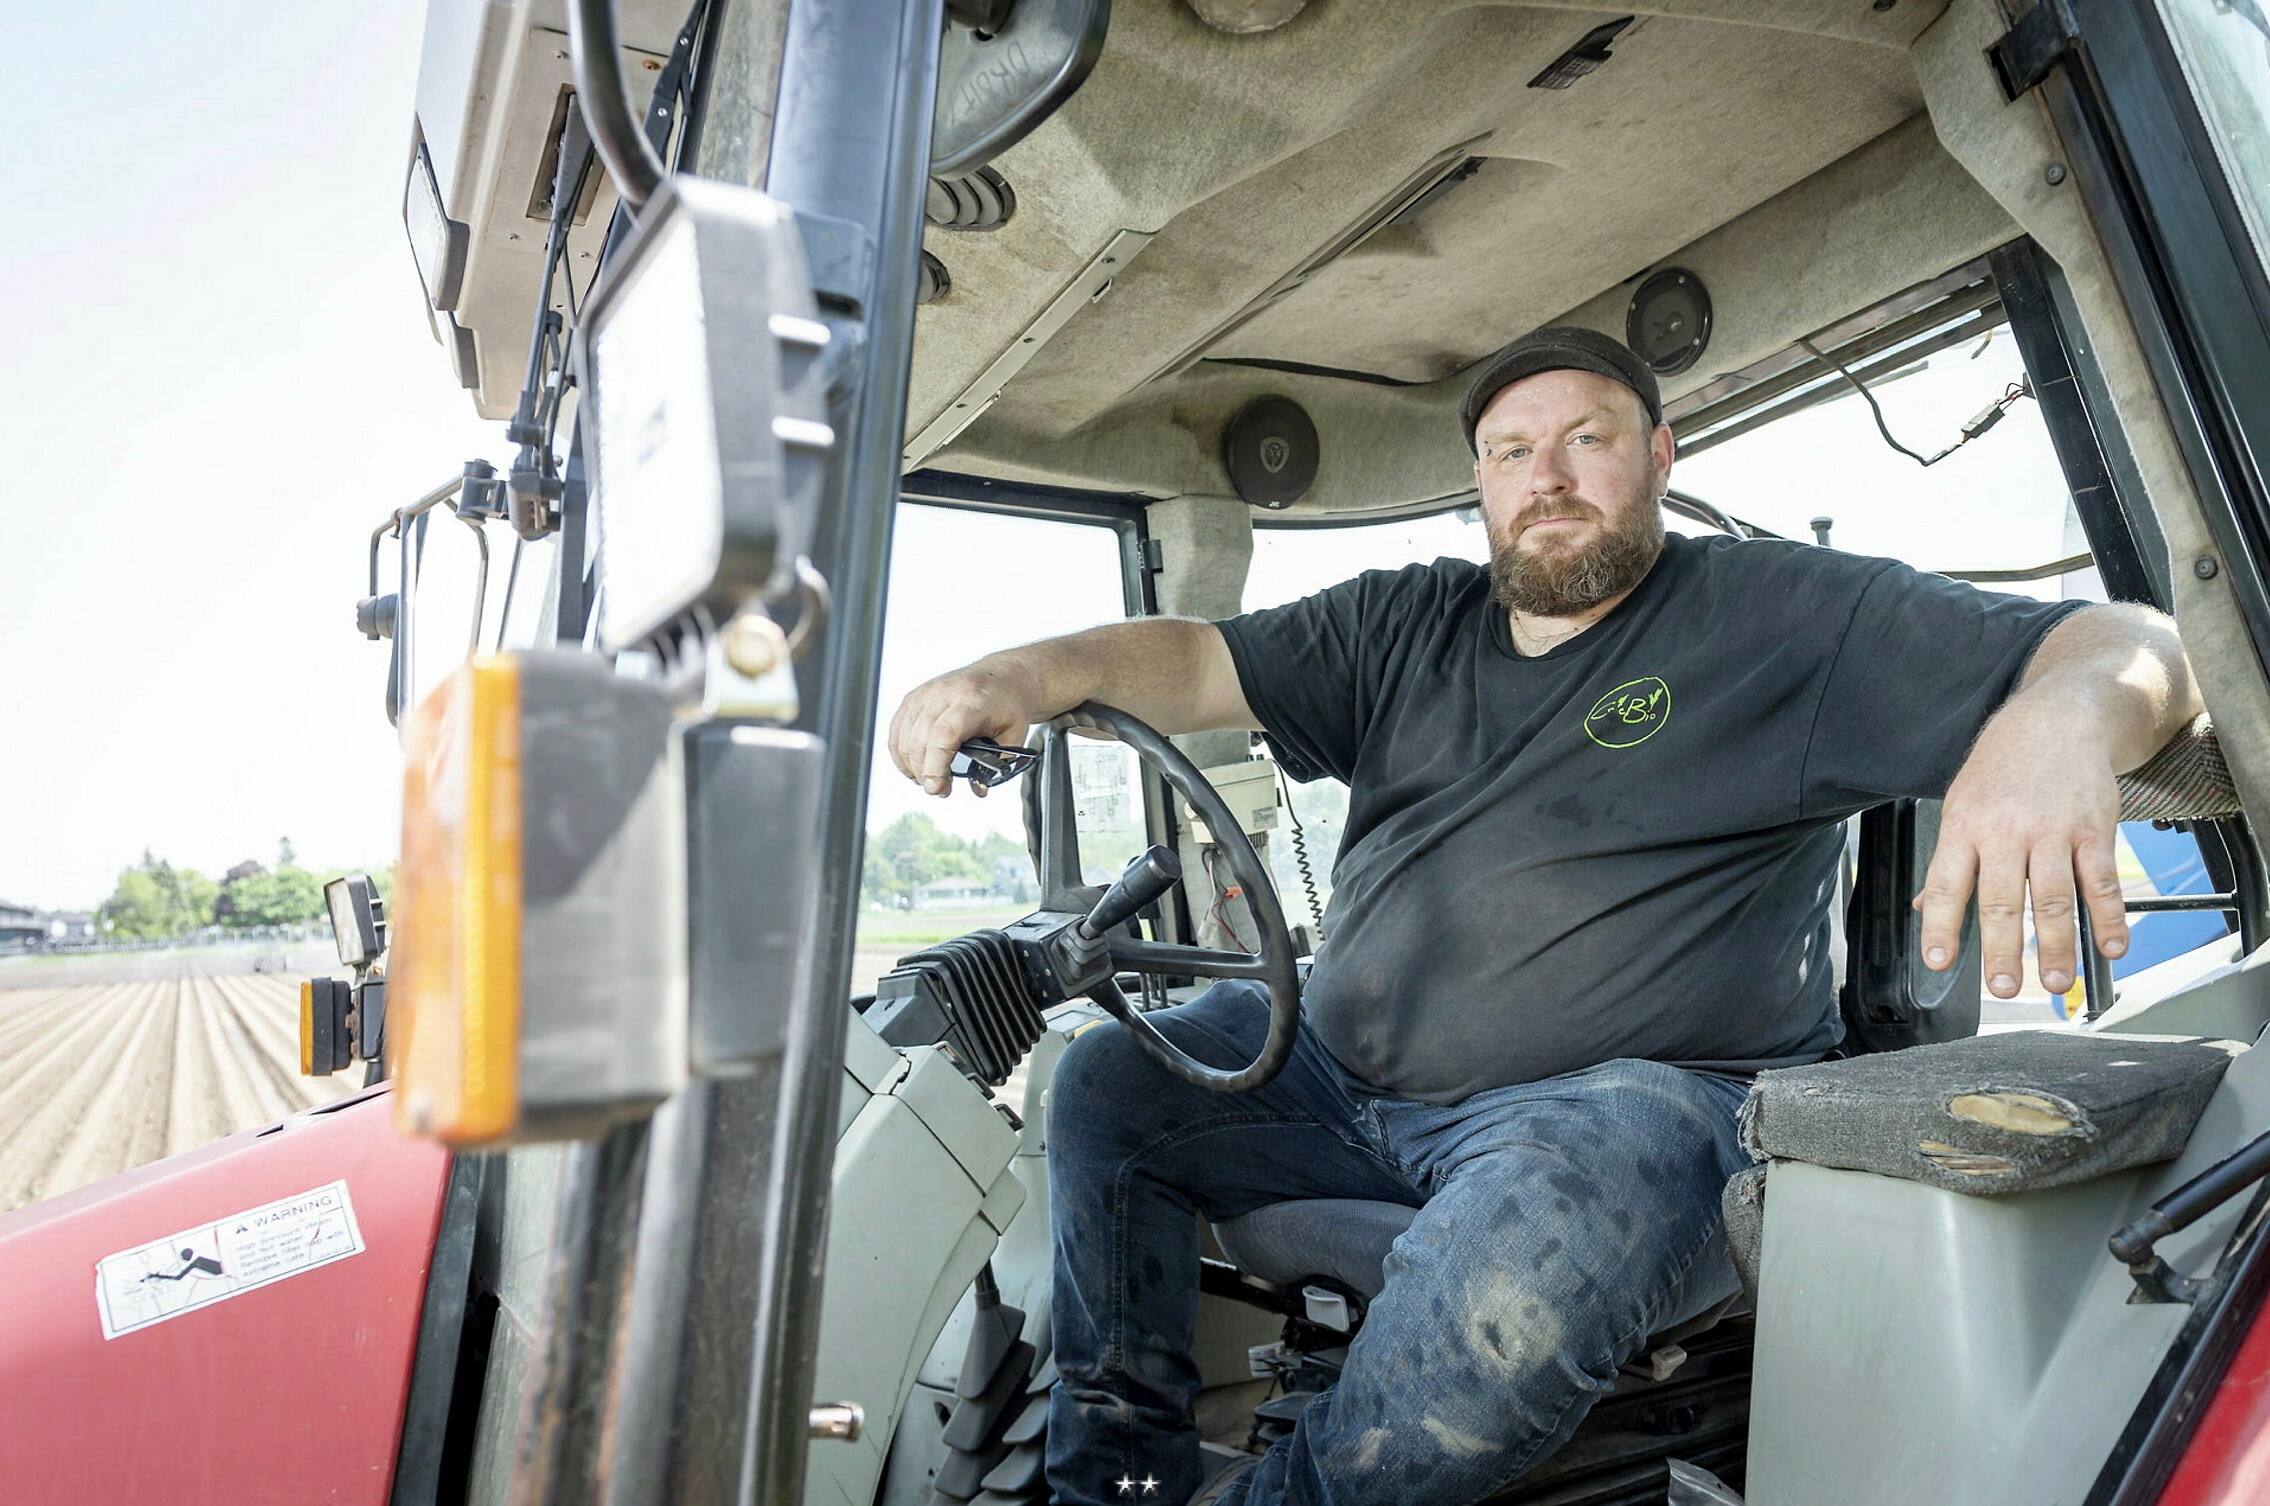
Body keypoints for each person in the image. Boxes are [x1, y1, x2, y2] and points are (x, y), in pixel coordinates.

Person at [884, 326, 2202, 1506]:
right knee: (1112, 1075)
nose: (1547, 474)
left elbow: (2134, 645)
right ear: (1483, 484)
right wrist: (1021, 672)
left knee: (1558, 1195)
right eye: (1512, 450)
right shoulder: (1405, 621)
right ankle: (1110, 1477)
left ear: (1659, 455)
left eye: (1587, 438)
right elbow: (1191, 659)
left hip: (1633, 1101)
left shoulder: (1778, 616)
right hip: (1341, 1080)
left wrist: (2060, 714)